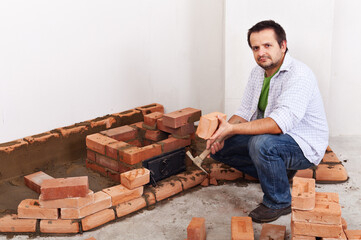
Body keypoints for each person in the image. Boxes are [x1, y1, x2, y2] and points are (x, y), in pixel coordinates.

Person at [207, 20, 329, 223]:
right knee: (220, 146)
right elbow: (245, 112)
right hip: (275, 138)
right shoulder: (258, 73)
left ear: (283, 45)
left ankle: (278, 202)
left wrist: (232, 129)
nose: (261, 52)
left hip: (303, 144)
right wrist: (223, 132)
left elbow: (278, 124)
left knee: (261, 144)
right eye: (255, 48)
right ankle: (279, 173)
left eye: (267, 45)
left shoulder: (299, 75)